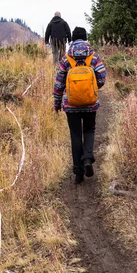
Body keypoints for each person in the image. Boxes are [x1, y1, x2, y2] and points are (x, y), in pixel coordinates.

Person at [53, 27, 106, 184]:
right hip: (90, 103)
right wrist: (92, 89)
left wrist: (57, 103)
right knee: (89, 130)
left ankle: (78, 173)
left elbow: (59, 84)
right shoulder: (93, 57)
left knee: (75, 135)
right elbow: (102, 77)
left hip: (71, 105)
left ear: (73, 40)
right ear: (85, 38)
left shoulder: (66, 59)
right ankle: (88, 157)